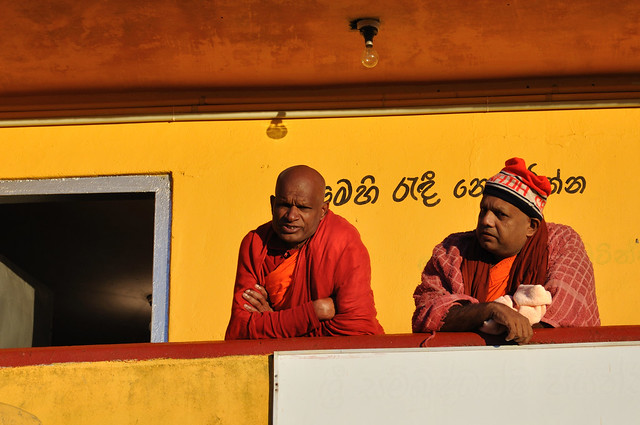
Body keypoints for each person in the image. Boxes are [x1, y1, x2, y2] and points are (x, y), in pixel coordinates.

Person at [412, 158, 600, 344]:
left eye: (500, 215)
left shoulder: (562, 243)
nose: (486, 221)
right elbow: (428, 311)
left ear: (531, 227)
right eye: (483, 210)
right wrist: (490, 310)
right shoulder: (453, 251)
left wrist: (502, 326)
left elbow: (566, 315)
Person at [225, 165, 383, 339]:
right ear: (272, 204)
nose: (291, 216)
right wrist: (315, 312)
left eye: (303, 208)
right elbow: (240, 330)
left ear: (323, 211)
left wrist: (274, 321)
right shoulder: (256, 244)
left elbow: (357, 330)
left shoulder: (342, 241)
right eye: (284, 205)